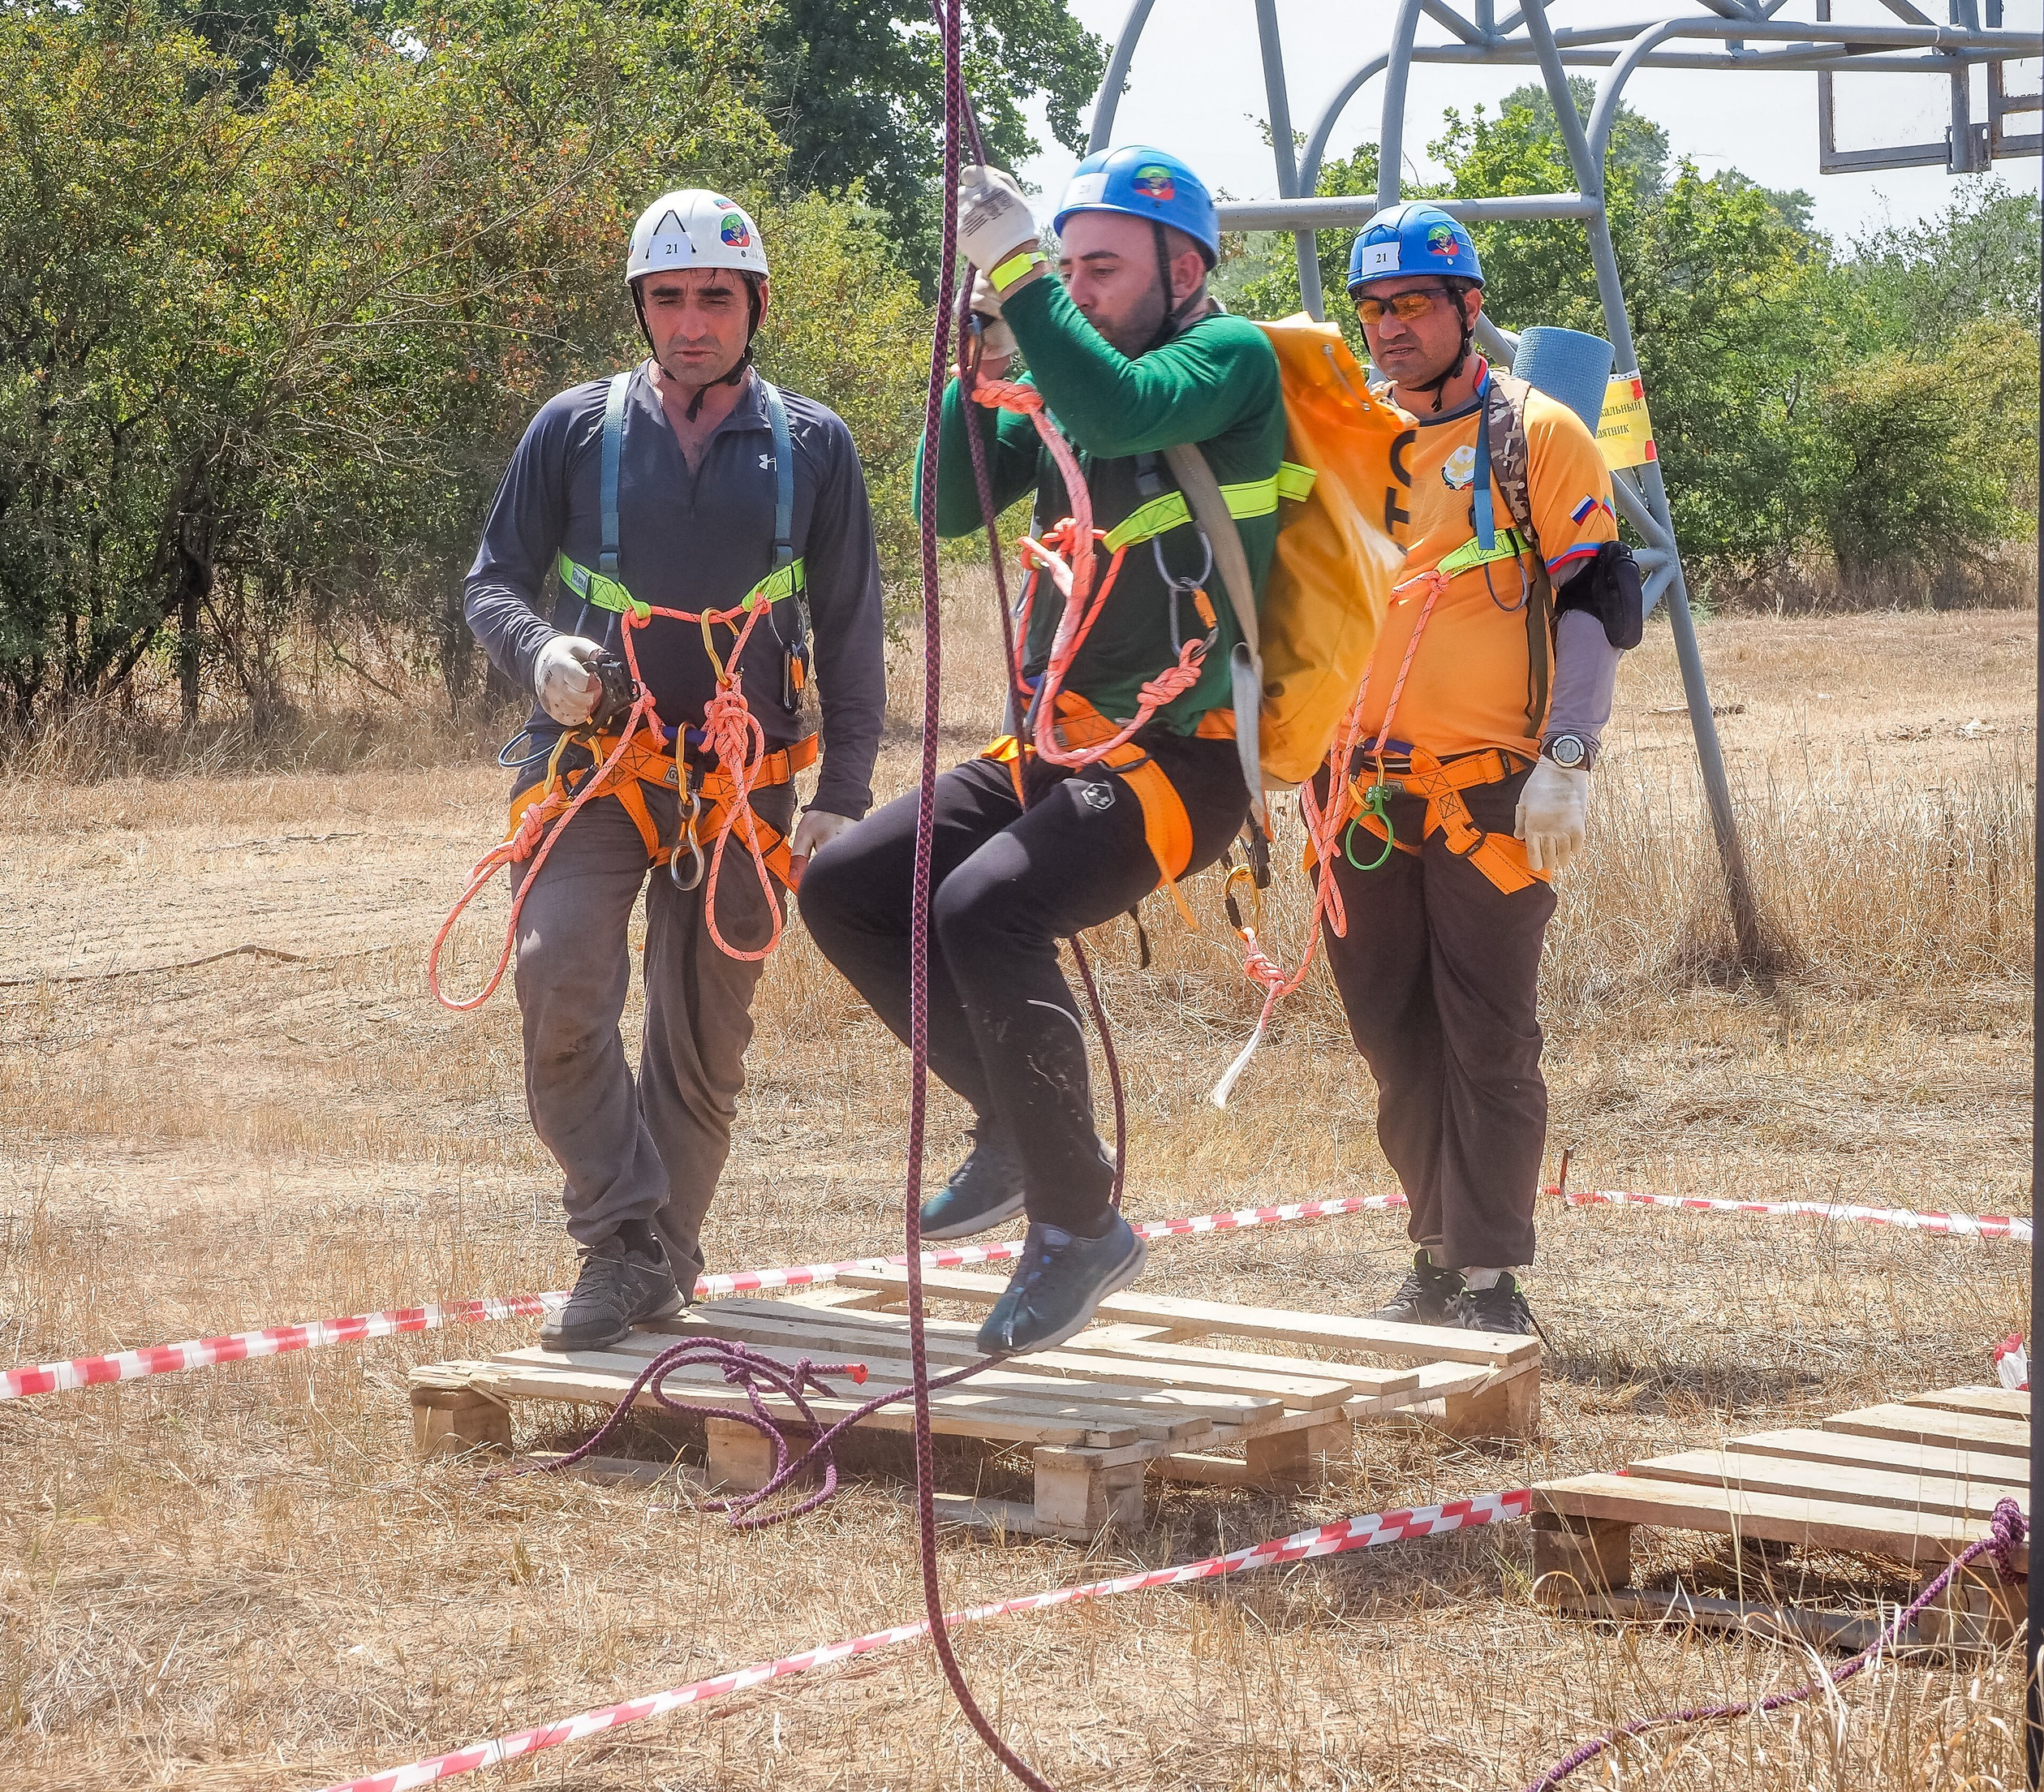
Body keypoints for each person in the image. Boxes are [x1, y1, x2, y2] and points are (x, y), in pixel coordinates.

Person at [798, 145, 1284, 1357]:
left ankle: (1080, 1227)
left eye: (1101, 269)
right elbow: (948, 502)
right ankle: (1017, 1131)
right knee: (850, 885)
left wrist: (1021, 277)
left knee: (983, 910)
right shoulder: (1064, 377)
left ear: (1186, 269)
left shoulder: (1227, 362)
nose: (1078, 288)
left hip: (1186, 757)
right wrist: (985, 344)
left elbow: (1125, 406)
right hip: (1062, 747)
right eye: (1067, 266)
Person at [464, 190, 887, 1350]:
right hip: (592, 769)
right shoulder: (573, 429)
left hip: (745, 785)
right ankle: (621, 1239)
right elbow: (492, 580)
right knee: (557, 983)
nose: (691, 322)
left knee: (701, 1040)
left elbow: (850, 633)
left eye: (715, 298)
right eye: (668, 299)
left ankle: (659, 1264)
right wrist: (538, 647)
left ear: (754, 306)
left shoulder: (813, 447)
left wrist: (845, 794)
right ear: (640, 308)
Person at [1313, 202, 1641, 1338]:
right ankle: (1433, 1251)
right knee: (1390, 1032)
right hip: (1357, 790)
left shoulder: (1538, 434)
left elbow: (1600, 593)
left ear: (1469, 309)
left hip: (1493, 791)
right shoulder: (1344, 433)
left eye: (1412, 304)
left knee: (1487, 1030)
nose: (1390, 327)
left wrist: (1569, 755)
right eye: (1373, 308)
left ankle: (1490, 1278)